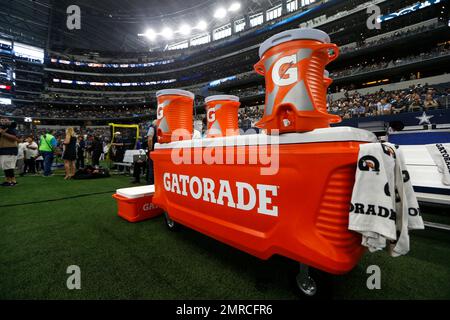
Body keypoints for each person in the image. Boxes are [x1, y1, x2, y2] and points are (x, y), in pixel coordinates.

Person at [0, 118, 19, 187]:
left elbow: (15, 138)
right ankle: (8, 180)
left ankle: (13, 181)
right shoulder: (3, 128)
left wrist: (3, 133)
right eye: (2, 120)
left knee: (9, 166)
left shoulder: (12, 129)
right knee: (5, 166)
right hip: (3, 150)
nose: (3, 121)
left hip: (9, 149)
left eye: (5, 120)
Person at [146, 120, 158, 184]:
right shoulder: (162, 127)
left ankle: (150, 183)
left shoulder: (152, 127)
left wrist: (150, 149)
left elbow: (150, 139)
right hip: (160, 150)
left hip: (153, 150)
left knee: (151, 167)